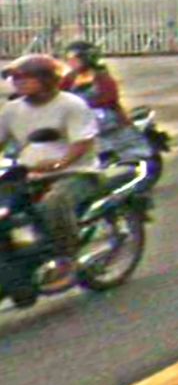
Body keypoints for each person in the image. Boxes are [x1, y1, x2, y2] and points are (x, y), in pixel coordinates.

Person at [0, 54, 100, 277]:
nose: (18, 82)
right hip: (28, 174)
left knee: (53, 203)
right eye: (15, 78)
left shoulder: (71, 105)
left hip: (76, 173)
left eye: (25, 78)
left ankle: (67, 259)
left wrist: (58, 164)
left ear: (47, 79)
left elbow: (82, 142)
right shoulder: (11, 109)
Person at [60, 40, 152, 163]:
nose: (71, 62)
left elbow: (109, 98)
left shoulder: (101, 76)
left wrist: (84, 105)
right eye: (69, 59)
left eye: (75, 59)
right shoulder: (70, 78)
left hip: (104, 117)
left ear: (87, 59)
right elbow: (58, 93)